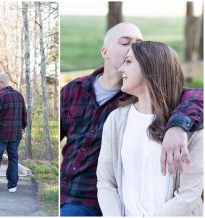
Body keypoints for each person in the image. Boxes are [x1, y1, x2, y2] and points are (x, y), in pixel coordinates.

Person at [60, 23, 203, 216]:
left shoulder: (184, 113)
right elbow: (106, 180)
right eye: (125, 43)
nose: (132, 48)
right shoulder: (75, 91)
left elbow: (195, 97)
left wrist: (178, 126)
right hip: (74, 193)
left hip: (92, 201)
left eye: (138, 45)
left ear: (149, 64)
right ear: (105, 52)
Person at [97, 41, 203, 216]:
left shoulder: (192, 126)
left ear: (150, 67)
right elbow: (106, 182)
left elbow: (189, 196)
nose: (121, 69)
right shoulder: (116, 120)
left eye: (128, 62)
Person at [0, 73, 27, 193]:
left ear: (2, 82)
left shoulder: (0, 97)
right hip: (16, 133)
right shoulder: (19, 95)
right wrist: (23, 126)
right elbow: (24, 113)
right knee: (13, 158)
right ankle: (12, 186)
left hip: (2, 133)